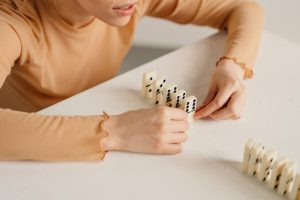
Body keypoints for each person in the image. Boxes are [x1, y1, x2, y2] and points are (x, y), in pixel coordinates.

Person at [0, 0, 264, 161]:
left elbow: (243, 9)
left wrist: (232, 66)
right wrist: (115, 132)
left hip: (95, 127)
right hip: (28, 152)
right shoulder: (12, 21)